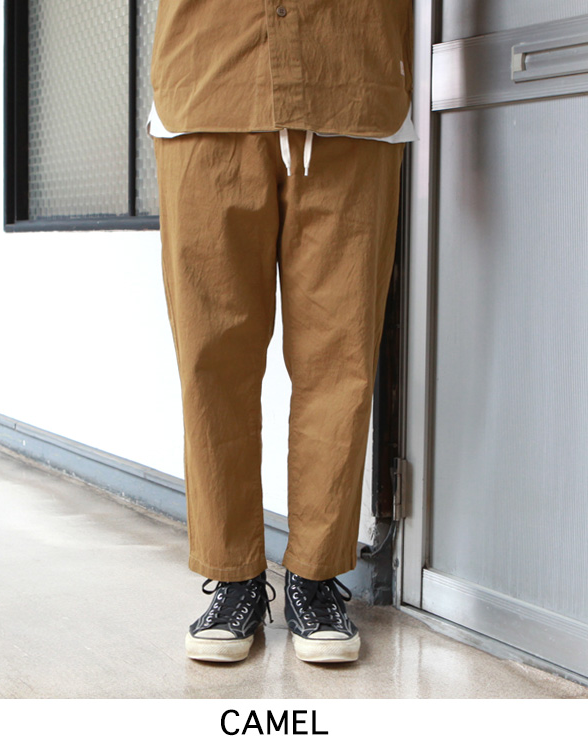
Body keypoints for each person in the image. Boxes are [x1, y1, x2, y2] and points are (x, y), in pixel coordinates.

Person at [148, 0, 415, 664]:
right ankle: (233, 576)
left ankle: (314, 579)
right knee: (211, 358)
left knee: (341, 357)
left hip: (349, 79)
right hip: (210, 79)